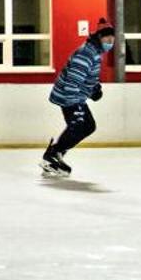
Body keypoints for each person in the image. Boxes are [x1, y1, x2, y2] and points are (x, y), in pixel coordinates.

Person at [42, 19, 115, 176]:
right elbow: (73, 81)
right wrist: (75, 106)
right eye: (107, 38)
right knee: (81, 126)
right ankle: (52, 156)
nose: (110, 41)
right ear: (98, 38)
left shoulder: (95, 52)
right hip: (70, 96)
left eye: (112, 38)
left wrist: (94, 88)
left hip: (75, 97)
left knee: (85, 126)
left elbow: (87, 77)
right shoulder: (86, 54)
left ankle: (55, 154)